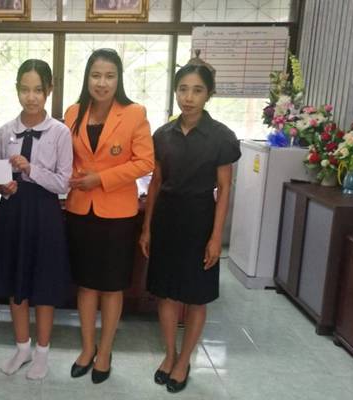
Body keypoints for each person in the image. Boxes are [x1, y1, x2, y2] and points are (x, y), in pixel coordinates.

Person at [140, 62, 240, 393]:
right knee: (167, 294)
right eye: (183, 89)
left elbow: (224, 188)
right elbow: (156, 183)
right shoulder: (162, 135)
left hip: (200, 221)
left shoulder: (222, 137)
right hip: (166, 220)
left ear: (209, 94)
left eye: (197, 90)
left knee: (197, 297)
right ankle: (170, 354)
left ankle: (184, 360)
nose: (188, 97)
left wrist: (216, 237)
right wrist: (147, 227)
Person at [64, 48, 154, 384]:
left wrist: (100, 178)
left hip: (117, 213)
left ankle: (105, 351)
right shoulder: (73, 112)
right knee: (87, 284)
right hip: (79, 209)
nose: (102, 83)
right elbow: (66, 157)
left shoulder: (134, 113)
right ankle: (87, 348)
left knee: (112, 287)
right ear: (87, 78)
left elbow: (145, 162)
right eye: (96, 75)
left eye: (109, 76)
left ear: (118, 80)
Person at [0, 59, 72, 380]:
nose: (30, 97)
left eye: (37, 90)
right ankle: (22, 347)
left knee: (43, 283)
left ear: (49, 91)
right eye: (24, 89)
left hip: (45, 213)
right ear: (17, 90)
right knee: (14, 280)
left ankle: (42, 353)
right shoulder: (5, 131)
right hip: (12, 210)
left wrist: (30, 169)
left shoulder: (60, 132)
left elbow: (63, 183)